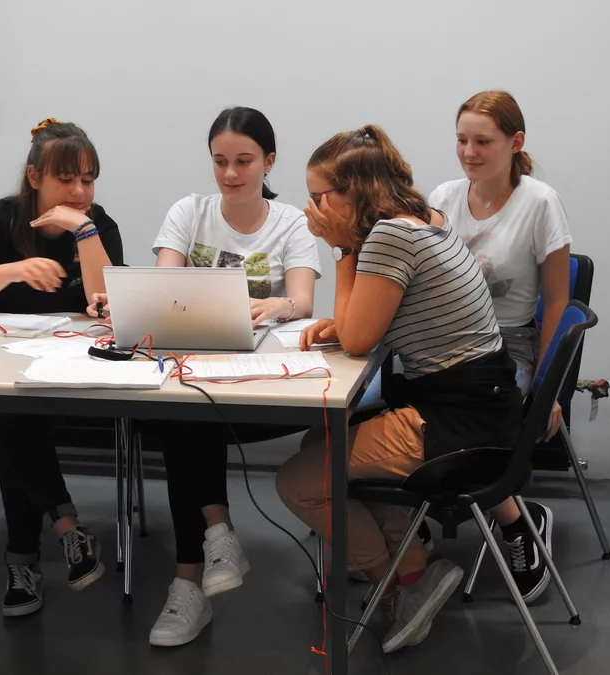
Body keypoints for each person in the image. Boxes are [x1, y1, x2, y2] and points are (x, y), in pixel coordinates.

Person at [275, 124, 523, 653]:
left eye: (319, 196)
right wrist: (347, 318)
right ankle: (414, 567)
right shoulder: (423, 220)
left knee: (299, 482)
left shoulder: (389, 237)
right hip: (486, 406)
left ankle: (399, 580)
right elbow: (367, 322)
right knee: (320, 444)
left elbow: (358, 340)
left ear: (354, 193)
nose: (312, 209)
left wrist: (342, 249)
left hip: (460, 424)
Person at [89, 107, 321, 647]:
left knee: (185, 421)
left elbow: (304, 300)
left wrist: (278, 306)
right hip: (194, 367)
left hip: (256, 379)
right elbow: (164, 288)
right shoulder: (189, 211)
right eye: (220, 161)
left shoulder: (290, 222)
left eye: (244, 161)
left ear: (269, 162)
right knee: (183, 413)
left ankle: (196, 570)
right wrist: (127, 302)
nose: (230, 173)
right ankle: (210, 545)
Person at [0, 118, 124, 617]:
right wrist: (14, 269)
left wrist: (84, 231)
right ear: (35, 177)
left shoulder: (96, 224)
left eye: (88, 179)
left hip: (75, 373)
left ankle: (24, 558)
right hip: (0, 367)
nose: (80, 191)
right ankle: (66, 529)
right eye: (66, 178)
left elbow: (110, 302)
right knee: (10, 410)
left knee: (13, 418)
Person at [428, 90, 571, 604]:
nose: (469, 152)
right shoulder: (442, 198)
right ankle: (401, 528)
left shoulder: (540, 202)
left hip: (509, 342)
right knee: (383, 404)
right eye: (461, 140)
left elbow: (557, 301)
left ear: (516, 142)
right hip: (445, 339)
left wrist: (550, 389)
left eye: (482, 141)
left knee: (471, 414)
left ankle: (516, 522)